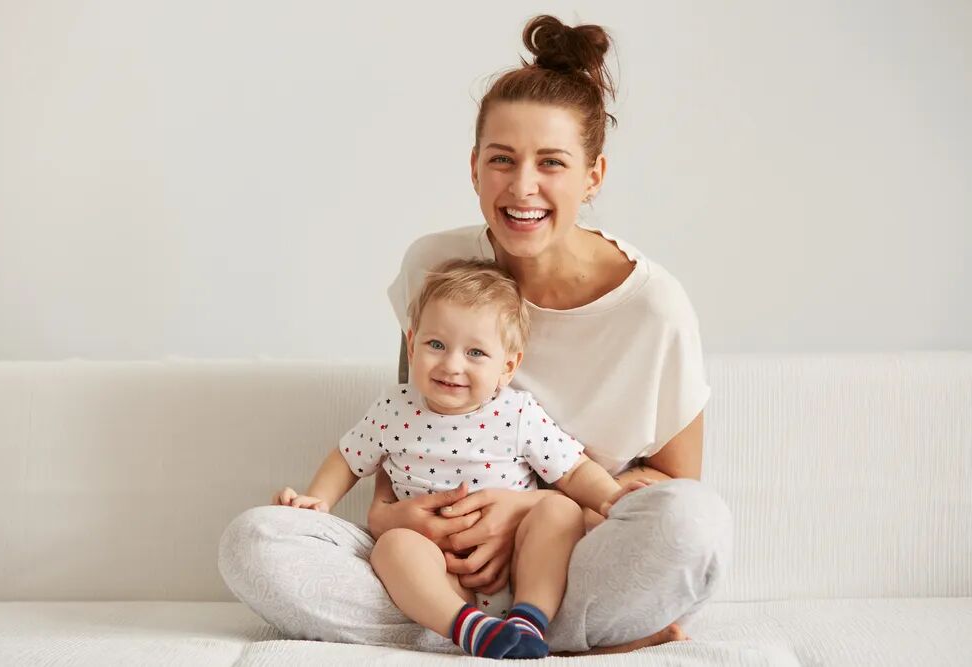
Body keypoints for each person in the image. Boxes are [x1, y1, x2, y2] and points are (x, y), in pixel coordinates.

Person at [219, 14, 732, 656]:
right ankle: (510, 631)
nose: (522, 187)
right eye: (502, 160)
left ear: (593, 175)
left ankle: (514, 625)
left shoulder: (655, 308)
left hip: (567, 550)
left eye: (552, 163)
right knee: (253, 542)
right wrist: (388, 518)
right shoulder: (434, 268)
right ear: (474, 167)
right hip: (432, 553)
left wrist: (524, 511)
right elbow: (413, 427)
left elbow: (665, 495)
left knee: (695, 523)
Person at [270, 259, 648, 658]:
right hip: (441, 576)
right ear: (412, 345)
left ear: (508, 366)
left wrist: (611, 498)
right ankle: (469, 628)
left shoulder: (518, 413)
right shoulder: (393, 409)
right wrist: (318, 501)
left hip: (517, 567)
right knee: (392, 547)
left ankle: (529, 620)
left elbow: (573, 469)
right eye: (436, 345)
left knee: (561, 511)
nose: (452, 365)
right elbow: (347, 459)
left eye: (475, 353)